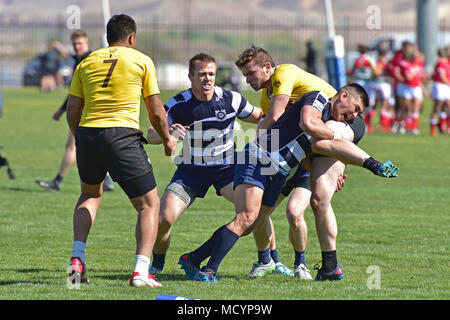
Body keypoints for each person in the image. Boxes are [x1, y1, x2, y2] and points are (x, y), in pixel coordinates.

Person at [178, 83, 398, 283]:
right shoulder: (319, 99)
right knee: (246, 218)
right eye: (356, 108)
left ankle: (193, 258)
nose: (353, 115)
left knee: (251, 224)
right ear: (344, 96)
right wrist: (338, 139)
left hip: (279, 173)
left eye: (358, 114)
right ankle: (209, 270)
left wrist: (331, 177)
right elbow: (307, 123)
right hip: (259, 158)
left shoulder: (323, 128)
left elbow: (311, 160)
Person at [65, 14, 177, 288]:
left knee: (90, 195)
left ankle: (76, 260)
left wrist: (80, 137)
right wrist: (167, 140)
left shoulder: (87, 62)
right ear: (132, 38)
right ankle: (141, 271)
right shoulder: (140, 60)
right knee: (149, 205)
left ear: (107, 37)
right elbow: (156, 112)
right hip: (122, 136)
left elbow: (72, 110)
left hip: (88, 134)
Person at [146, 53, 263, 275]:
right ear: (190, 77)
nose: (207, 79)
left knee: (254, 211)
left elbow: (261, 116)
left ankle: (267, 260)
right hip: (191, 171)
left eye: (211, 74)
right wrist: (168, 133)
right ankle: (157, 262)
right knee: (163, 218)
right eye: (201, 74)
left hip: (226, 170)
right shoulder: (179, 104)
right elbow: (151, 134)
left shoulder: (230, 99)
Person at [233, 45, 343, 279]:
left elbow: (272, 120)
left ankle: (300, 264)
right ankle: (266, 261)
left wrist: (332, 168)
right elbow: (270, 125)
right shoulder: (266, 96)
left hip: (306, 162)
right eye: (245, 76)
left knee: (294, 213)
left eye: (251, 73)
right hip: (283, 165)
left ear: (268, 67)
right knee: (258, 216)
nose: (249, 80)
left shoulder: (285, 73)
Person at [35, 30, 115, 192]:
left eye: (80, 44)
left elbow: (80, 92)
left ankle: (58, 182)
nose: (77, 47)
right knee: (91, 146)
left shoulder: (87, 61)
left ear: (86, 44)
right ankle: (106, 179)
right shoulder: (79, 60)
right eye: (75, 44)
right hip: (87, 110)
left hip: (85, 112)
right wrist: (61, 110)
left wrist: (64, 110)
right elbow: (75, 92)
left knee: (73, 147)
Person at [397, 44, 425, 135]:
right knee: (406, 108)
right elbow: (408, 77)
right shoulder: (404, 63)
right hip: (406, 87)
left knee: (415, 108)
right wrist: (415, 71)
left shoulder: (419, 63)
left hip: (416, 87)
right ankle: (402, 125)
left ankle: (413, 127)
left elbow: (421, 75)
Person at [351, 44, 378, 132]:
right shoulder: (369, 59)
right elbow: (375, 71)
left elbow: (353, 71)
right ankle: (365, 123)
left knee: (359, 102)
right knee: (368, 103)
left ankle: (361, 123)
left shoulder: (357, 59)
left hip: (358, 81)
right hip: (367, 82)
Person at [372, 48, 395, 132]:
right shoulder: (384, 63)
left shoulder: (376, 62)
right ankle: (382, 124)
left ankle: (382, 124)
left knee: (377, 103)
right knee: (385, 103)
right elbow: (378, 73)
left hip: (377, 84)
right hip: (384, 84)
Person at [429, 46, 450, 136]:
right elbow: (442, 76)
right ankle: (433, 129)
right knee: (437, 107)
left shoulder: (448, 63)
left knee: (447, 106)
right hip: (440, 86)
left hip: (446, 86)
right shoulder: (441, 62)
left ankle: (442, 126)